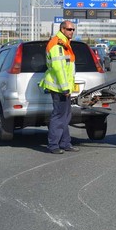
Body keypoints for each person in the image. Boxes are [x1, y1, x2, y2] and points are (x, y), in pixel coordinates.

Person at [39, 21, 80, 154]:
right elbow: (59, 68)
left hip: (62, 86)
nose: (71, 31)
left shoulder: (64, 43)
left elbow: (68, 68)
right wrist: (64, 88)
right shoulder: (57, 44)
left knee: (66, 115)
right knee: (59, 115)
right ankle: (53, 145)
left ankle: (65, 143)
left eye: (73, 29)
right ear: (62, 29)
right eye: (69, 29)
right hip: (58, 87)